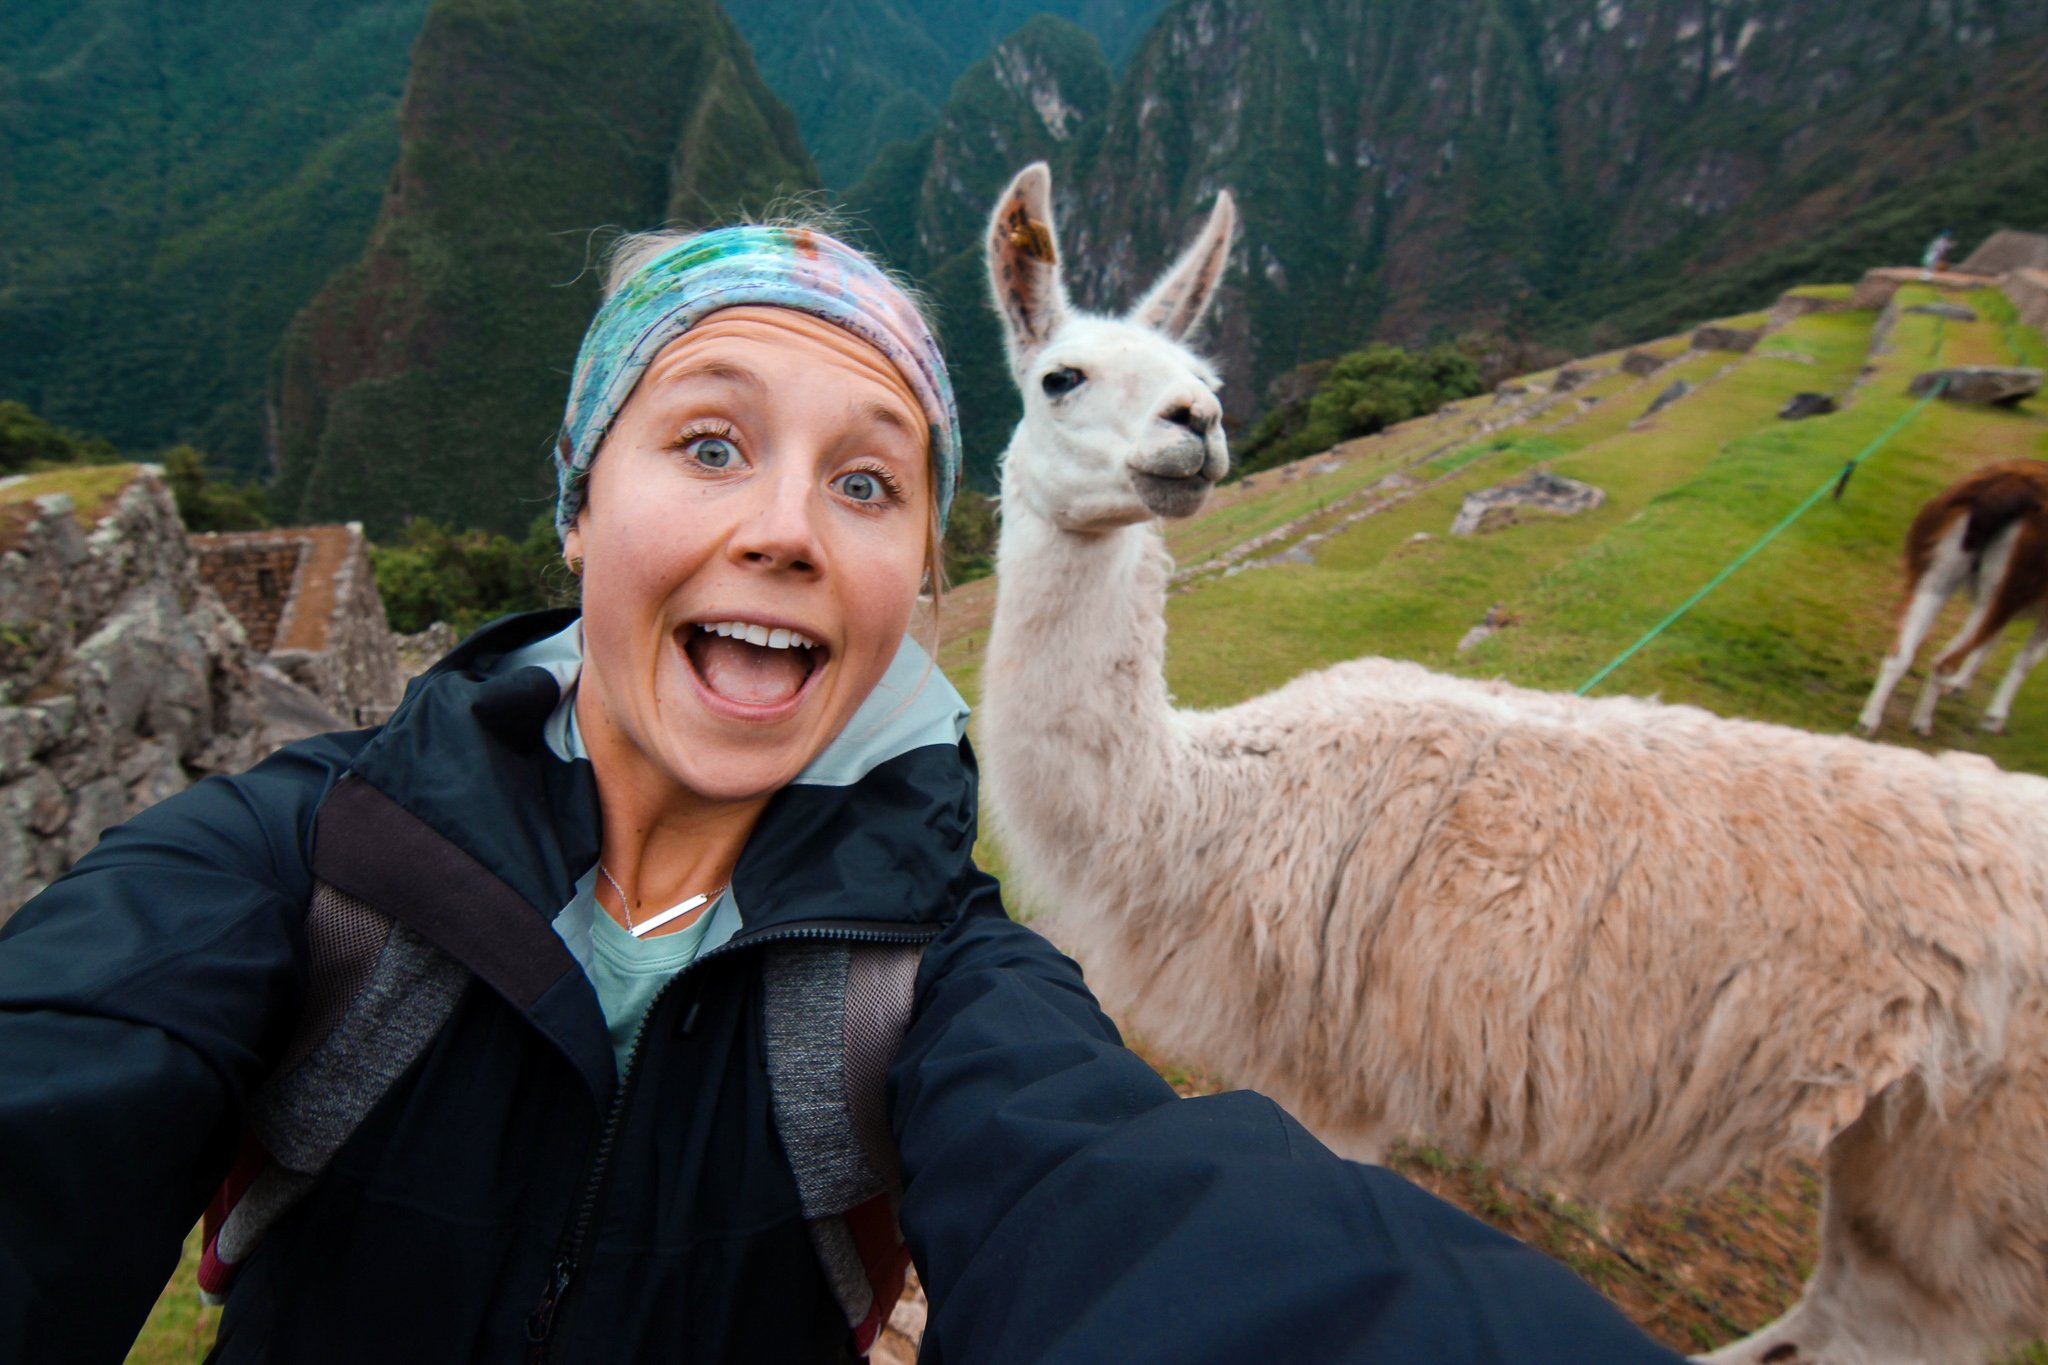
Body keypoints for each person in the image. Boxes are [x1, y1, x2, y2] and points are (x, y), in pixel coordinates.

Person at [0, 223, 1684, 1363]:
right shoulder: (304, 859)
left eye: (868, 481)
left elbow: (1150, 1215)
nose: (790, 529)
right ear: (580, 505)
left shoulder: (939, 987)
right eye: (712, 445)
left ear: (918, 574)